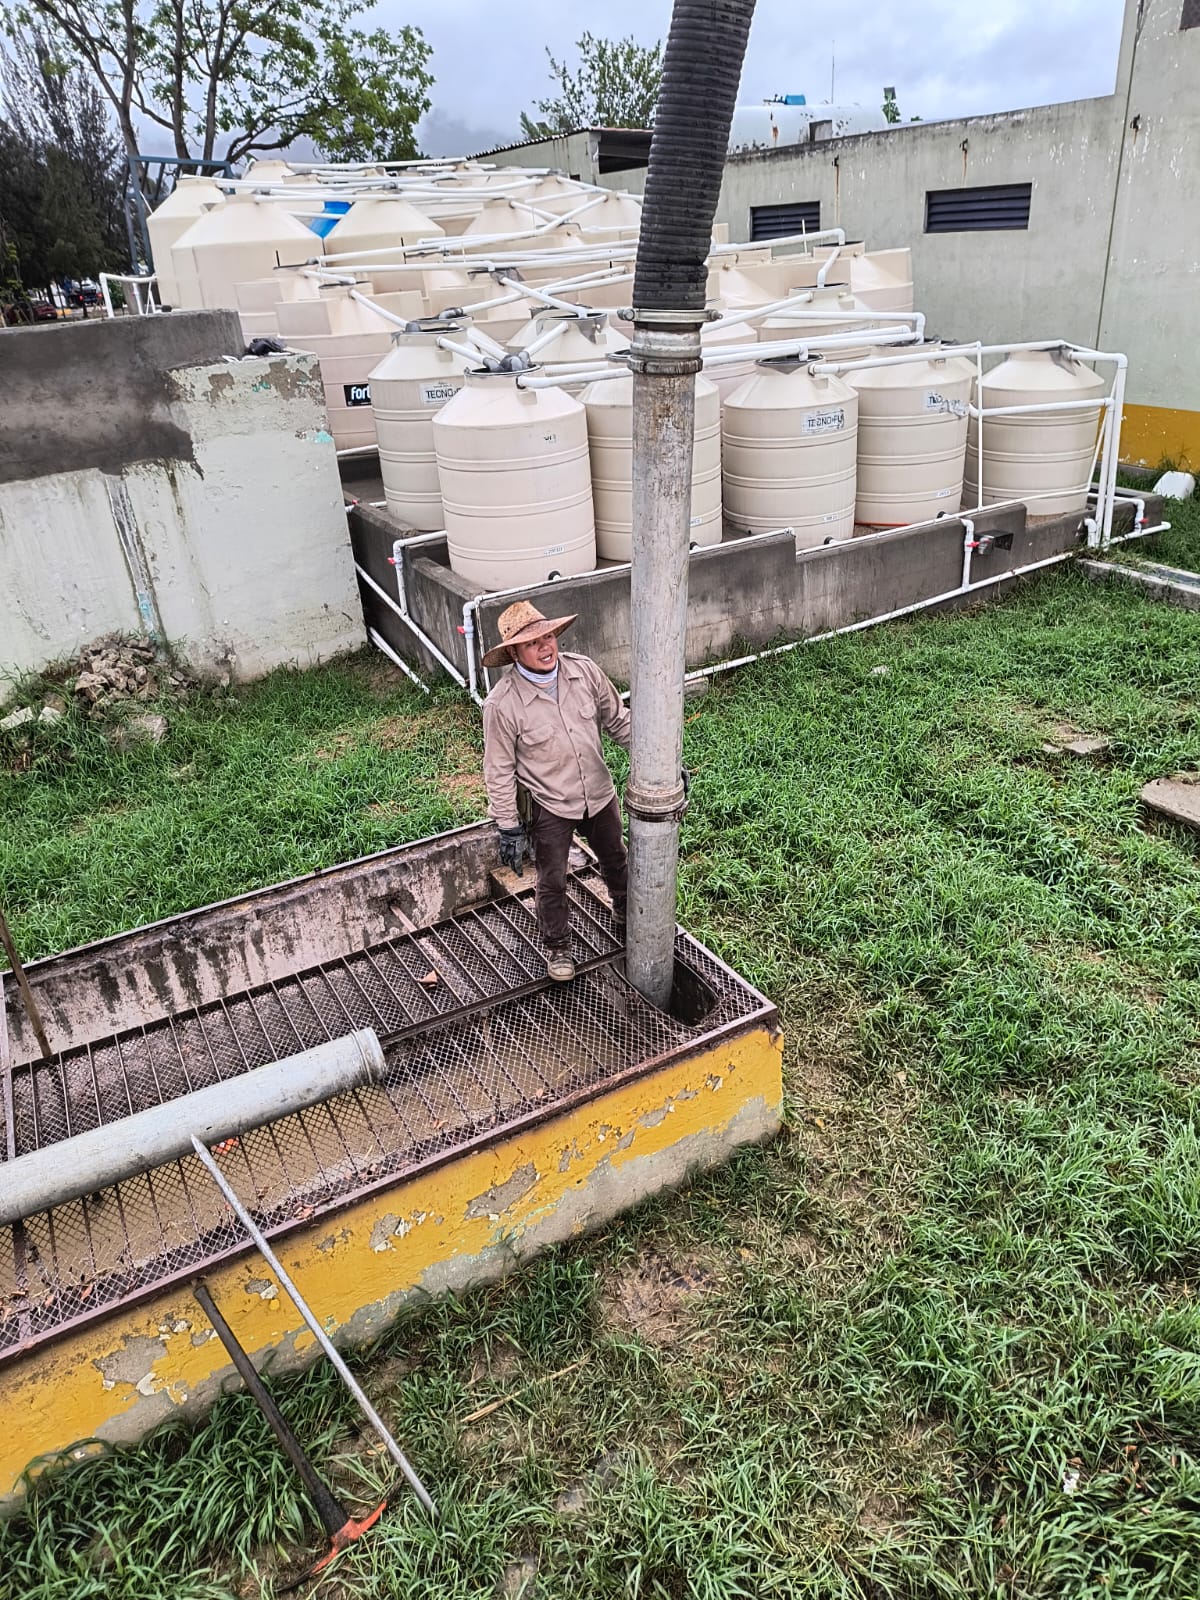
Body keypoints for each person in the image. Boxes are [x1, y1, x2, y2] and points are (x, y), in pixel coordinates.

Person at [481, 600, 630, 983]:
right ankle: (558, 946)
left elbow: (618, 721)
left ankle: (625, 912)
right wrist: (509, 827)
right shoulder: (502, 704)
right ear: (514, 652)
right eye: (533, 643)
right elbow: (498, 769)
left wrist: (660, 761)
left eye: (548, 636)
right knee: (552, 880)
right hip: (551, 805)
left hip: (597, 792)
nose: (546, 647)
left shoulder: (585, 672)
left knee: (616, 859)